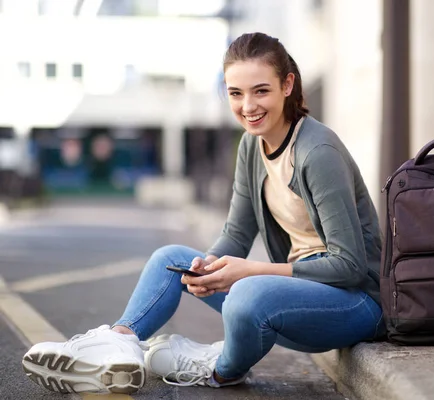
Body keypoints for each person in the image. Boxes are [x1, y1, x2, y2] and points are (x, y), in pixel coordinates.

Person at [22, 32, 384, 395]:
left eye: (261, 91)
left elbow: (349, 265)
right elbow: (237, 234)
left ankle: (219, 366)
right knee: (171, 260)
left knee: (247, 294)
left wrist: (252, 270)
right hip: (293, 292)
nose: (248, 106)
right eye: (236, 93)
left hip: (353, 304)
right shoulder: (251, 145)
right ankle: (118, 344)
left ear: (287, 85)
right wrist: (206, 267)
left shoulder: (317, 151)